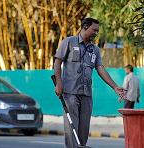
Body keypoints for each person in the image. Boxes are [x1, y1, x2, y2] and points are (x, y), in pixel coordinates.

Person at [53, 17, 125, 148]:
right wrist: (59, 82)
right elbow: (58, 61)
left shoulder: (95, 49)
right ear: (85, 27)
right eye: (94, 30)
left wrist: (114, 86)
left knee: (84, 128)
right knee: (71, 127)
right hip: (70, 93)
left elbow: (100, 69)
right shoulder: (68, 42)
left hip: (87, 94)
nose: (96, 33)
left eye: (97, 31)